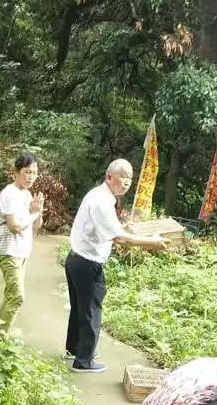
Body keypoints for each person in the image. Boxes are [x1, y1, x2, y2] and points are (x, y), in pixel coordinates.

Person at [65, 160, 168, 373]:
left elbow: (106, 229)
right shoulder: (102, 202)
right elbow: (120, 239)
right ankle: (83, 362)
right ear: (109, 176)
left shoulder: (100, 195)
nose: (127, 182)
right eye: (122, 176)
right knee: (91, 312)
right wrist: (153, 243)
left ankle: (74, 349)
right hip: (87, 264)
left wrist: (123, 227)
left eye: (130, 178)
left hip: (76, 260)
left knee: (80, 309)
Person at [0, 153, 45, 332]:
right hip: (8, 252)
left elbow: (35, 229)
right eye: (27, 172)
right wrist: (34, 214)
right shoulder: (9, 194)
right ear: (16, 171)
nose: (31, 177)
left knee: (11, 295)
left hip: (22, 253)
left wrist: (39, 212)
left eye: (34, 173)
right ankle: (0, 337)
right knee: (17, 296)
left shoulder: (27, 195)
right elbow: (14, 226)